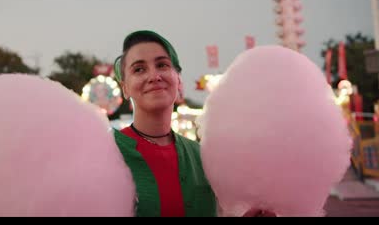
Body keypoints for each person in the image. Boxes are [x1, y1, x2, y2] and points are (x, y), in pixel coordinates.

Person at [112, 30, 275, 217]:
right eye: (139, 69)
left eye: (162, 65)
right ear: (124, 87)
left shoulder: (201, 157)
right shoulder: (108, 153)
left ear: (178, 80)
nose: (153, 76)